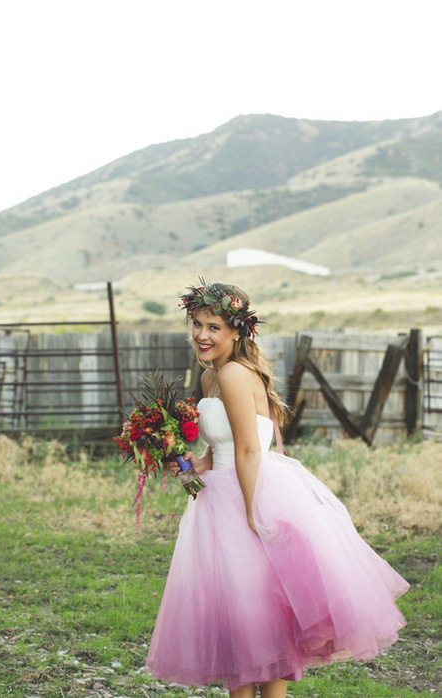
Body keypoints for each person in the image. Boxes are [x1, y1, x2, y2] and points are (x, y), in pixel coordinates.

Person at [145, 280, 410, 698]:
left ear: (237, 331)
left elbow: (251, 449)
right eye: (196, 324)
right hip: (226, 489)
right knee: (251, 627)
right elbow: (224, 447)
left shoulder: (233, 374)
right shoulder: (210, 374)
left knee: (255, 623)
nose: (201, 335)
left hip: (249, 494)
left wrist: (252, 513)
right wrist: (189, 462)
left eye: (213, 326)